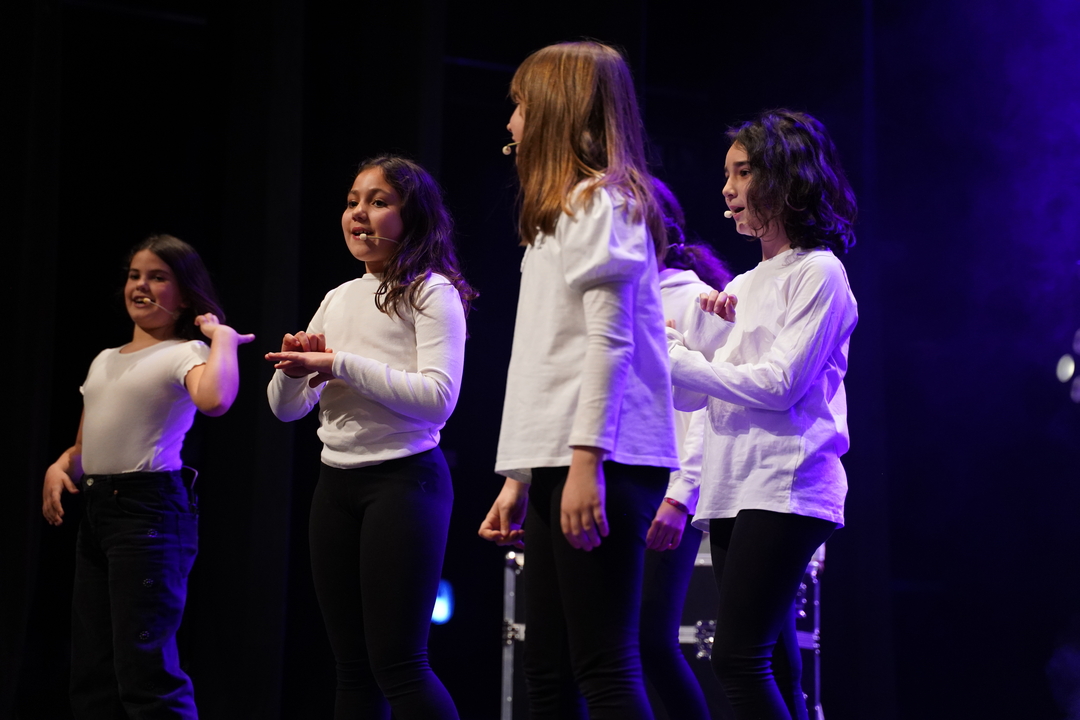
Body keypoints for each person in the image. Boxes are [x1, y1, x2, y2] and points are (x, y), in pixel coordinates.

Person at [477, 41, 679, 720]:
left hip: (601, 458)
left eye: (520, 105)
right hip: (560, 458)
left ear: (556, 111)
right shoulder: (556, 215)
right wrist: (521, 477)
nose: (511, 121)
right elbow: (548, 358)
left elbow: (608, 342)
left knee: (604, 665)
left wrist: (587, 461)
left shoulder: (602, 203)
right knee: (547, 668)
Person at [265, 155, 474, 720]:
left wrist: (337, 363)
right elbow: (285, 410)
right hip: (335, 487)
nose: (359, 213)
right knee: (352, 670)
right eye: (353, 201)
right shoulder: (339, 297)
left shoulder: (431, 291)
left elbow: (438, 398)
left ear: (413, 216)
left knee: (399, 665)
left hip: (404, 483)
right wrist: (296, 372)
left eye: (378, 202)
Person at [666, 109, 858, 720]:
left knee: (737, 659)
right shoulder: (745, 284)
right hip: (733, 483)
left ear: (785, 177)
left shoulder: (819, 272)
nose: (728, 189)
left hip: (787, 483)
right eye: (727, 174)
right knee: (772, 661)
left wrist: (679, 360)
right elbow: (696, 398)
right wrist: (690, 350)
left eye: (743, 172)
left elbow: (778, 386)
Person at [42, 234, 254, 719]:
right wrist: (60, 466)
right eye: (135, 275)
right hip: (98, 511)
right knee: (93, 668)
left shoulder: (184, 352)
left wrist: (221, 339)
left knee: (145, 668)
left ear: (185, 296)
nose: (141, 285)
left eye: (158, 277)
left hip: (147, 513)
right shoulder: (104, 359)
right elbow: (84, 447)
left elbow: (216, 400)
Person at [641, 180, 733, 720]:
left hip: (666, 487)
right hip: (619, 479)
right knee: (610, 643)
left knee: (651, 639)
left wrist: (681, 495)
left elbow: (711, 405)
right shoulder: (616, 299)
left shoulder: (692, 298)